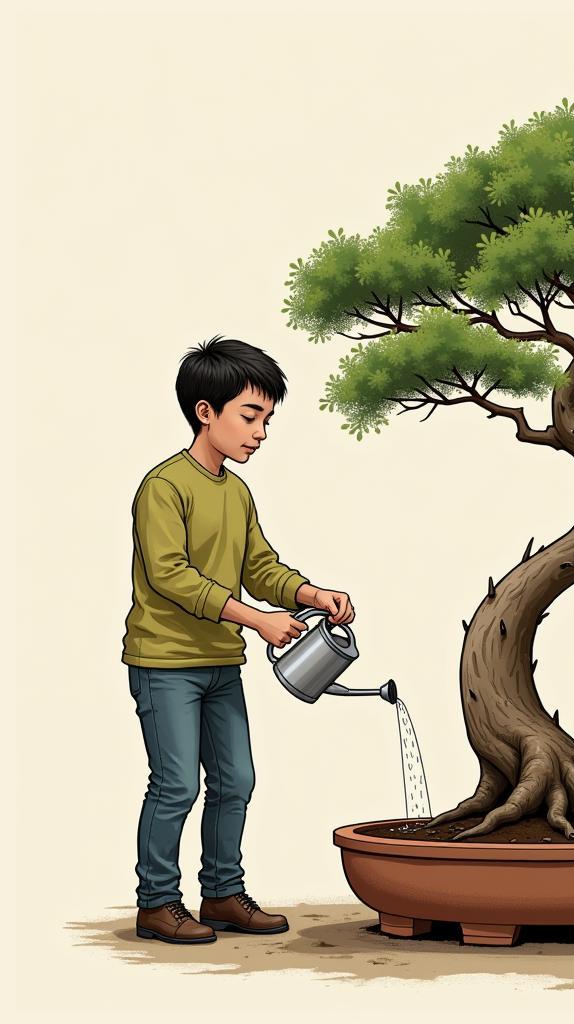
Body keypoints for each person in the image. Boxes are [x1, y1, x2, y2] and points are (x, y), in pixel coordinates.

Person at [121, 335, 355, 944]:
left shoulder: (237, 492)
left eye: (267, 419)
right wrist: (258, 620)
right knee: (176, 783)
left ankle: (222, 894)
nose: (260, 432)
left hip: (221, 662)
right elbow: (172, 578)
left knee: (236, 781)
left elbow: (260, 568)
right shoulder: (163, 487)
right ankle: (157, 902)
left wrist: (308, 595)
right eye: (250, 416)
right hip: (165, 662)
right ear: (206, 412)